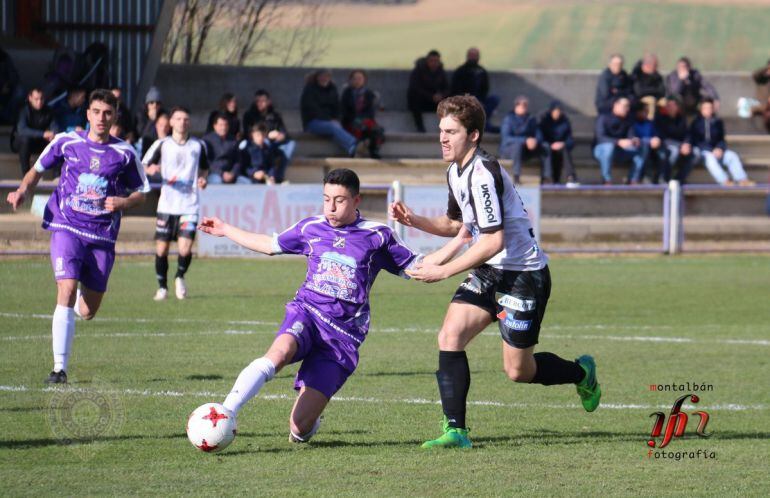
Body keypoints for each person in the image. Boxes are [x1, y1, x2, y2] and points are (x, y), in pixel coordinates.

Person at [389, 95, 600, 449]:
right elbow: (458, 223)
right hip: (489, 272)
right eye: (441, 130)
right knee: (449, 336)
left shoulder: (483, 172)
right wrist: (417, 221)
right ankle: (456, 431)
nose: (442, 138)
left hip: (522, 276)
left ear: (473, 135)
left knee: (519, 371)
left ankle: (582, 372)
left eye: (451, 131)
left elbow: (493, 240)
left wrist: (443, 271)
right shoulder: (455, 171)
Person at [198, 168, 419, 443]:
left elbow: (419, 268)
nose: (331, 207)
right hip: (308, 312)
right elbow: (270, 245)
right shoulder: (311, 227)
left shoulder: (378, 235)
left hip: (343, 337)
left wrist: (460, 245)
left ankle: (308, 424)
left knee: (299, 428)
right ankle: (225, 412)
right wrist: (226, 229)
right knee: (279, 353)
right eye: (326, 199)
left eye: (339, 200)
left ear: (356, 201)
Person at [5, 89, 150, 384]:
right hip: (66, 226)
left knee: (87, 310)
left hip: (102, 236)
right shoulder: (66, 141)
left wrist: (124, 202)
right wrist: (22, 190)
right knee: (66, 289)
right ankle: (59, 369)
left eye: (107, 113)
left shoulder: (124, 153)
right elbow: (36, 170)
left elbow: (143, 192)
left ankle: (81, 299)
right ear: (87, 114)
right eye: (96, 112)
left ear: (115, 117)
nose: (101, 118)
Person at [142, 107, 208, 301]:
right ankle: (162, 287)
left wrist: (202, 179)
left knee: (185, 249)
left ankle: (179, 276)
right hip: (167, 205)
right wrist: (151, 168)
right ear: (171, 122)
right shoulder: (162, 144)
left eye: (186, 119)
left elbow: (204, 169)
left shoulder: (198, 145)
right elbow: (144, 164)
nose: (182, 122)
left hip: (189, 204)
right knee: (161, 249)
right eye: (178, 118)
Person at [688, 98, 753, 186]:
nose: (708, 110)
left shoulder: (718, 122)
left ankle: (742, 179)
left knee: (732, 156)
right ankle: (724, 181)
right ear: (701, 109)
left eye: (710, 108)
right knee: (710, 158)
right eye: (705, 108)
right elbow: (695, 141)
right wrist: (711, 150)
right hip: (704, 152)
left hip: (718, 151)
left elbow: (721, 139)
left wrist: (720, 148)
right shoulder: (695, 123)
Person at [301, 69, 357, 157]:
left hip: (330, 122)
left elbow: (337, 107)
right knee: (333, 127)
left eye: (327, 76)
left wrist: (336, 119)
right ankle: (354, 144)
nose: (324, 78)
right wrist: (329, 120)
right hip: (312, 122)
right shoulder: (309, 90)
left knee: (336, 128)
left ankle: (351, 150)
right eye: (322, 76)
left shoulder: (332, 89)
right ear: (317, 78)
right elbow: (312, 109)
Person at [242, 89, 296, 174]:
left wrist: (281, 135)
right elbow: (248, 134)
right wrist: (267, 136)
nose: (260, 103)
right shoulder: (249, 115)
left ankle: (279, 175)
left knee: (291, 144)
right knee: (266, 141)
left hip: (275, 144)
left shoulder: (275, 115)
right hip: (258, 144)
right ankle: (266, 173)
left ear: (268, 102)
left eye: (263, 101)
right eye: (257, 101)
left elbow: (284, 132)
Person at [593, 97, 644, 185]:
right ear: (616, 105)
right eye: (625, 106)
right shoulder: (603, 117)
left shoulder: (628, 120)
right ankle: (606, 179)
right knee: (609, 147)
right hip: (601, 150)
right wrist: (618, 142)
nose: (627, 109)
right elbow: (600, 137)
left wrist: (634, 140)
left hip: (620, 151)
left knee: (641, 150)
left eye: (628, 106)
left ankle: (633, 179)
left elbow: (630, 136)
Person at [450, 47, 500, 132]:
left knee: (495, 99)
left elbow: (485, 88)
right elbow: (455, 89)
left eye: (475, 55)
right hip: (464, 100)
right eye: (471, 55)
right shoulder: (460, 71)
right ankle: (483, 125)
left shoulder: (482, 71)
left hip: (479, 100)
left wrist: (480, 101)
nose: (473, 57)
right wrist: (470, 99)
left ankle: (480, 122)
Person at [499, 96, 545, 184]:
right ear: (516, 106)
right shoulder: (508, 119)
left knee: (545, 147)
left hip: (526, 150)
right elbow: (506, 139)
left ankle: (547, 177)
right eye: (522, 105)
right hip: (509, 150)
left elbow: (539, 134)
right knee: (517, 146)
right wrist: (525, 140)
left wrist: (535, 141)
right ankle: (516, 176)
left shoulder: (531, 119)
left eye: (526, 105)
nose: (524, 107)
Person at [340, 69, 385, 159]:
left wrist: (362, 119)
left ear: (364, 80)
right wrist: (354, 119)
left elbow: (370, 111)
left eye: (360, 78)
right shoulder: (346, 93)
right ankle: (361, 147)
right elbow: (343, 111)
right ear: (351, 80)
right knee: (360, 127)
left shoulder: (369, 93)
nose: (357, 81)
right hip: (350, 121)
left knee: (375, 129)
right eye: (355, 79)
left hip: (365, 120)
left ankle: (373, 150)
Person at [15, 88, 57, 176]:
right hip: (24, 145)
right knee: (24, 140)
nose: (39, 102)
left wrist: (53, 134)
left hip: (40, 144)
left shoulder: (48, 111)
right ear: (30, 98)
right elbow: (21, 130)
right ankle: (26, 175)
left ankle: (57, 175)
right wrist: (43, 134)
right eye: (36, 99)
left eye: (41, 98)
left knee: (56, 141)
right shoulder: (24, 110)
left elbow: (55, 127)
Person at [654, 97, 695, 183]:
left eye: (673, 105)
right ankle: (663, 178)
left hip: (681, 146)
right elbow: (662, 137)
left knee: (696, 153)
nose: (670, 108)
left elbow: (687, 134)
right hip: (666, 145)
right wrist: (680, 146)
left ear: (677, 107)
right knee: (674, 151)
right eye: (668, 105)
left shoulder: (681, 119)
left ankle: (679, 179)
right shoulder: (660, 119)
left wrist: (686, 144)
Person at [407, 49, 449, 132]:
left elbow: (447, 88)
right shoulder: (418, 71)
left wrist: (441, 95)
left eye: (436, 61)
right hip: (421, 101)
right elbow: (415, 87)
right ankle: (420, 127)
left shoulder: (441, 72)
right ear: (427, 61)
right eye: (431, 61)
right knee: (414, 96)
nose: (434, 63)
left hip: (436, 101)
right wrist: (431, 96)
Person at [538, 100, 577, 186]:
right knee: (546, 147)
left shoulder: (565, 122)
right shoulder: (544, 120)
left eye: (559, 111)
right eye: (555, 111)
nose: (557, 113)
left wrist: (563, 144)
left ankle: (571, 177)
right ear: (551, 111)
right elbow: (540, 137)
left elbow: (570, 139)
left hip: (560, 148)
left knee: (565, 149)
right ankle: (547, 178)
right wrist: (550, 145)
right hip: (546, 147)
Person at [203, 113, 248, 184]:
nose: (223, 128)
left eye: (225, 125)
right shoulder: (207, 140)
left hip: (231, 173)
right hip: (214, 173)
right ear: (215, 126)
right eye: (221, 125)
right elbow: (207, 162)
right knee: (217, 181)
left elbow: (238, 160)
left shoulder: (233, 140)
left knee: (246, 182)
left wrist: (233, 173)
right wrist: (221, 173)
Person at [632, 101, 666, 183]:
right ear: (638, 112)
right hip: (641, 147)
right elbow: (633, 138)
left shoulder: (650, 123)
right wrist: (648, 141)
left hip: (653, 147)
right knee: (645, 152)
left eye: (647, 111)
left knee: (663, 154)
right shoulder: (632, 123)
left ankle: (660, 177)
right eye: (644, 111)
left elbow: (657, 134)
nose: (646, 113)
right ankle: (647, 177)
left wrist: (657, 139)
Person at [630, 53, 666, 119]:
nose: (656, 67)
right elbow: (639, 92)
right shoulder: (637, 74)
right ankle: (650, 123)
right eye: (655, 65)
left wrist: (652, 92)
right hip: (639, 100)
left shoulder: (657, 76)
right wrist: (654, 91)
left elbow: (662, 91)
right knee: (651, 100)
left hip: (656, 98)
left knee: (666, 102)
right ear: (647, 65)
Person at [135, 86, 166, 155]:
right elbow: (141, 133)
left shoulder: (164, 114)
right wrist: (151, 120)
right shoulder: (141, 114)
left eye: (157, 103)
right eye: (151, 102)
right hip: (145, 147)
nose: (155, 105)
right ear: (147, 104)